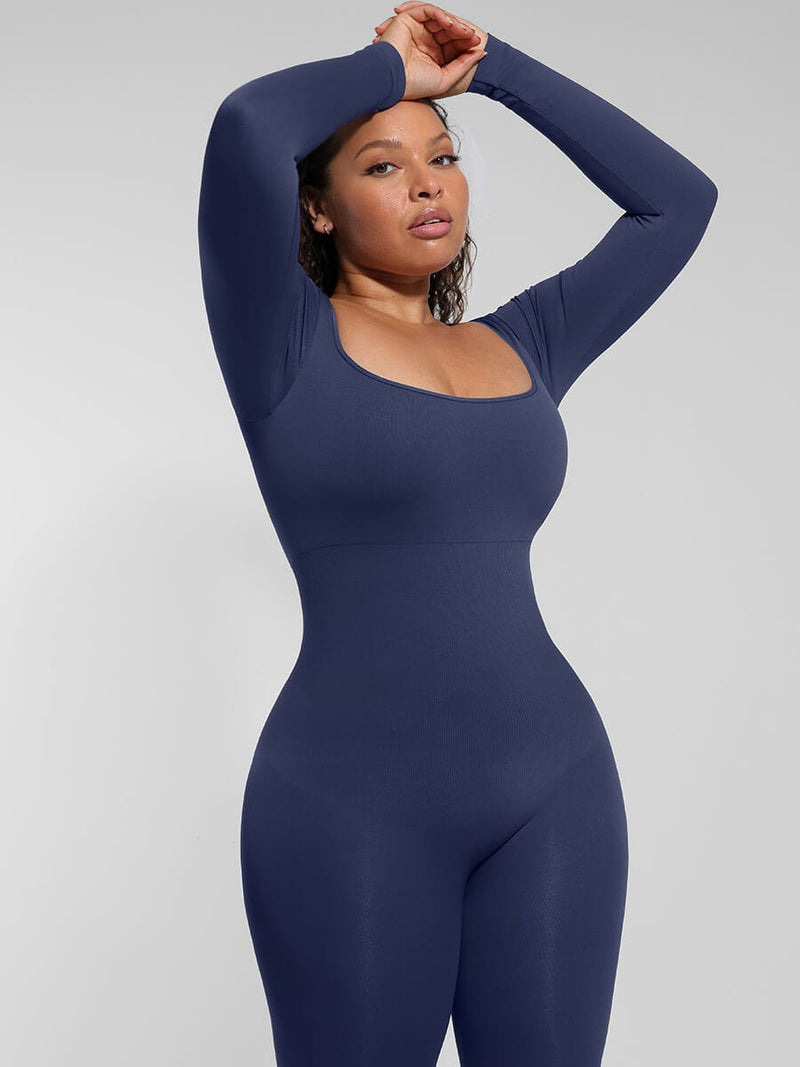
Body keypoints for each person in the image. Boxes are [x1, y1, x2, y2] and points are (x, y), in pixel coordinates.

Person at [197, 3, 717, 1064]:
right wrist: (387, 68)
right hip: (348, 796)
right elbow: (249, 125)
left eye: (441, 158)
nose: (428, 184)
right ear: (316, 208)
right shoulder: (281, 341)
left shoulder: (527, 341)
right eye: (382, 167)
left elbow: (677, 203)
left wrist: (495, 70)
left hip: (554, 784)